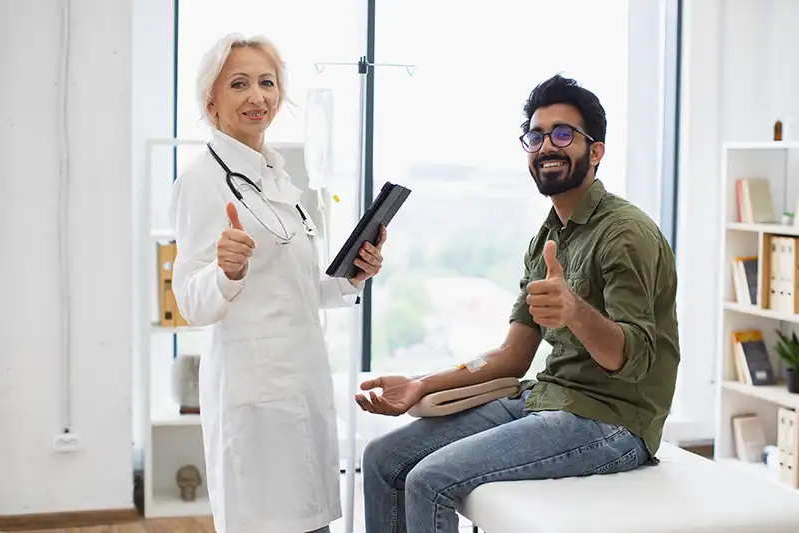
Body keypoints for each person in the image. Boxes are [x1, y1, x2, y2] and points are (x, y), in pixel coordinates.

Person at [356, 74, 680, 533]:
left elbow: (634, 361)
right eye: (536, 136)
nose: (547, 145)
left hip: (614, 421)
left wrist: (576, 312)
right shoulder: (546, 238)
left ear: (597, 150)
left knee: (430, 480)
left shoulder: (624, 234)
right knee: (384, 458)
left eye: (564, 134)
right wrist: (418, 384)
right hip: (546, 399)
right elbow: (511, 357)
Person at [170, 33, 387, 533]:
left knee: (312, 523)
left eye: (267, 83)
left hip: (301, 384)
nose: (257, 96)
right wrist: (225, 272)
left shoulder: (281, 180)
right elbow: (191, 304)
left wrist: (354, 275)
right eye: (239, 84)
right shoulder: (201, 182)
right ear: (212, 100)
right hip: (255, 396)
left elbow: (302, 288)